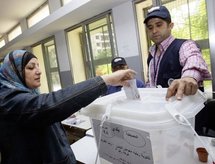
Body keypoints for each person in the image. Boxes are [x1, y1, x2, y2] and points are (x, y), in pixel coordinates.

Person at [0, 50, 136, 164]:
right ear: (14, 72)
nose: (39, 71)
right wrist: (106, 80)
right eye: (31, 67)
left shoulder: (29, 94)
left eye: (38, 66)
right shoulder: (8, 101)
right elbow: (47, 107)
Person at [144, 6, 211, 100]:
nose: (154, 31)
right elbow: (151, 83)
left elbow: (194, 60)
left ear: (170, 26)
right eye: (150, 28)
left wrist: (189, 77)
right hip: (162, 109)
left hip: (185, 110)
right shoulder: (151, 54)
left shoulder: (185, 45)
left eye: (159, 25)